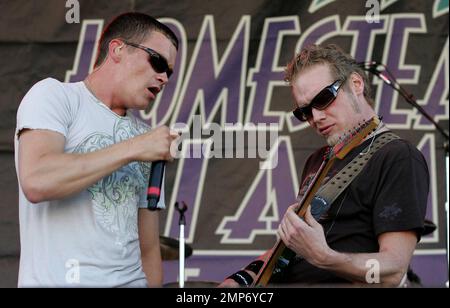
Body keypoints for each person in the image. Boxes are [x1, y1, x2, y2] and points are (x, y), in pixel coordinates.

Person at [220, 44, 429, 287]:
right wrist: (241, 279)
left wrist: (324, 257)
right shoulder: (317, 161)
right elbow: (291, 250)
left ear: (356, 84)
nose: (316, 118)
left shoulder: (397, 156)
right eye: (305, 112)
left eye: (324, 99)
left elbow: (393, 269)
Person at [14, 12, 179, 287]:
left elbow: (149, 248)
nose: (163, 77)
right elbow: (37, 180)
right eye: (158, 61)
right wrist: (135, 147)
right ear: (118, 49)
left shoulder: (146, 138)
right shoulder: (55, 96)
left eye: (169, 72)